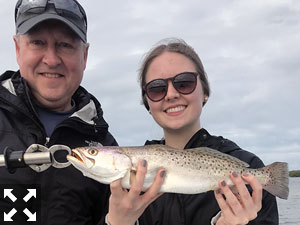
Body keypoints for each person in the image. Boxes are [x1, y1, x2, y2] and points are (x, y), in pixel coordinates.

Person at [106, 39, 279, 225]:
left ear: (205, 91)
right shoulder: (122, 186)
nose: (171, 94)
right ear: (147, 102)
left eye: (184, 83)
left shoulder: (250, 170)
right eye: (157, 88)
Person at [0, 0, 117, 224]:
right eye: (37, 42)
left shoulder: (105, 147)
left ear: (85, 56)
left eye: (65, 45)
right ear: (17, 48)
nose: (51, 60)